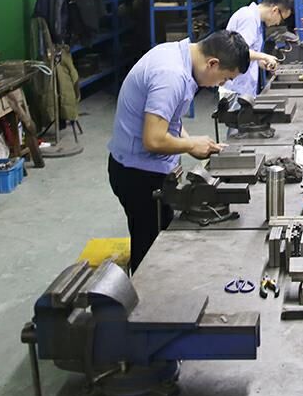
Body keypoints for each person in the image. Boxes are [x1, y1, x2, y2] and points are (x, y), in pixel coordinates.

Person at [107, 30, 250, 272]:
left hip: (146, 168)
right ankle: (144, 292)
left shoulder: (178, 56)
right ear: (212, 63)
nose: (221, 85)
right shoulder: (171, 75)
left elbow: (169, 119)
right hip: (137, 175)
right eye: (224, 78)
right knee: (149, 251)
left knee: (158, 238)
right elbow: (153, 139)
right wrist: (191, 145)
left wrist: (189, 141)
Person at [223, 0, 293, 100]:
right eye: (281, 19)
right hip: (235, 90)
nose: (278, 23)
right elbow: (239, 52)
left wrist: (261, 62)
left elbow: (248, 52)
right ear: (275, 10)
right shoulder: (248, 18)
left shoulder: (256, 21)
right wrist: (265, 56)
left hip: (243, 89)